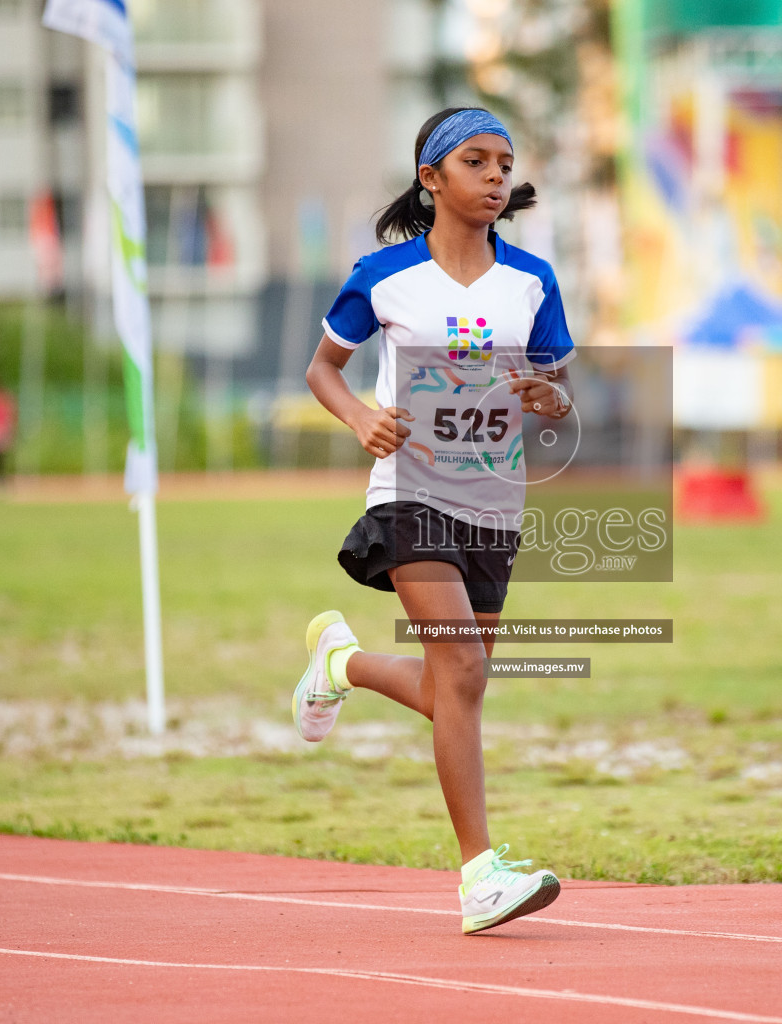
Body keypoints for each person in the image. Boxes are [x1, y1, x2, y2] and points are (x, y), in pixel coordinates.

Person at [298, 107, 575, 934]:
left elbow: (557, 394)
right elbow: (323, 370)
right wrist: (358, 419)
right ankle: (480, 877)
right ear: (432, 179)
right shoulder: (383, 276)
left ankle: (340, 664)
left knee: (450, 682)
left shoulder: (531, 280)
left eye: (504, 164)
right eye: (477, 163)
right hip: (408, 495)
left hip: (494, 501)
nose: (495, 177)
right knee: (463, 675)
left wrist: (549, 396)